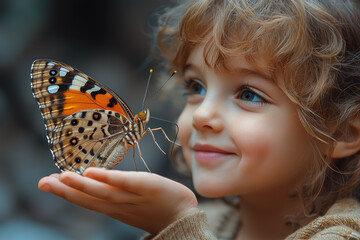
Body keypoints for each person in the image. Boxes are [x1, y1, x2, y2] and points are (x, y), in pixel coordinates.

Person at [38, 0, 360, 239]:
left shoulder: (343, 234)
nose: (203, 113)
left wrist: (175, 226)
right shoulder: (211, 220)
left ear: (342, 132)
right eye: (196, 87)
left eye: (249, 94)